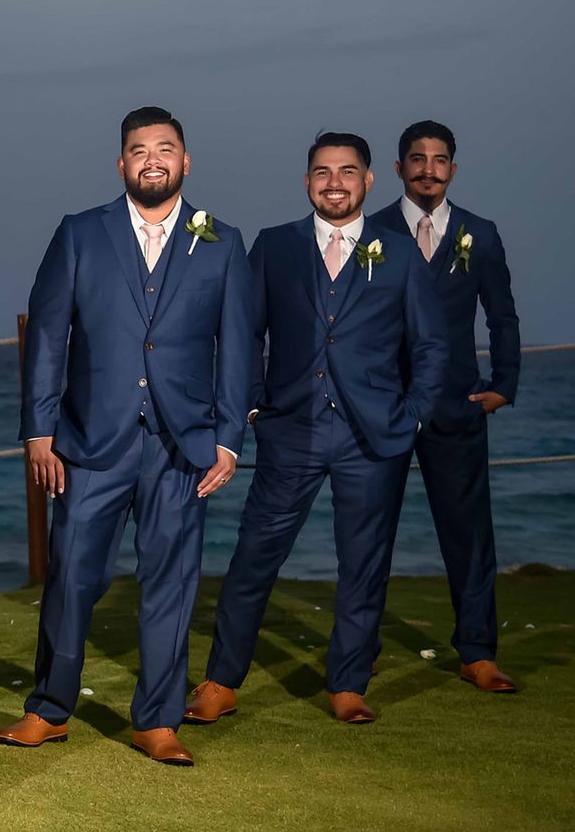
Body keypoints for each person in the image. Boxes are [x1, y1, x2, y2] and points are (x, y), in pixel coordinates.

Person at [0, 107, 253, 766]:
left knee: (171, 582)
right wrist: (38, 429)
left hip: (183, 445)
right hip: (88, 442)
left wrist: (228, 438)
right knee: (70, 579)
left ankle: (158, 720)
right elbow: (50, 334)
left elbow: (240, 350)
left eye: (165, 149)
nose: (152, 160)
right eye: (139, 151)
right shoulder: (81, 233)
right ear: (121, 164)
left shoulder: (222, 241)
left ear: (185, 161)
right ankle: (50, 710)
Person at [188, 132, 447, 726]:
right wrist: (253, 403)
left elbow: (432, 345)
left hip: (373, 437)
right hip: (290, 431)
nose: (335, 182)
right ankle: (221, 680)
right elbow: (244, 332)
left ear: (369, 180)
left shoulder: (400, 252)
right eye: (323, 172)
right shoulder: (274, 246)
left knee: (363, 562)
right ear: (307, 181)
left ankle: (349, 683)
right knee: (255, 556)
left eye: (348, 172)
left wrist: (412, 413)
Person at [368, 120, 521, 693]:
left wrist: (504, 383)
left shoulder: (479, 233)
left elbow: (502, 315)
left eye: (439, 159)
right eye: (417, 158)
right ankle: (361, 647)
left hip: (458, 403)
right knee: (369, 531)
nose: (428, 168)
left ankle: (478, 652)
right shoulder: (372, 229)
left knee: (469, 533)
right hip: (384, 405)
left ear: (453, 168)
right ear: (400, 167)